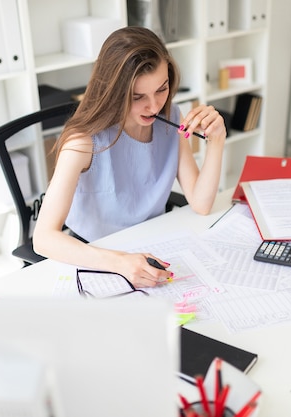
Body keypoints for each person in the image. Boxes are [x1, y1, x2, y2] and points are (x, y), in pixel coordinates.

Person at [33, 26, 226, 288]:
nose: (155, 106)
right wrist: (120, 263)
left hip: (150, 243)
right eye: (138, 97)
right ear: (113, 92)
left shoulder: (171, 117)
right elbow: (43, 238)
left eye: (162, 88)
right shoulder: (82, 141)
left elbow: (202, 203)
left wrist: (217, 140)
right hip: (97, 254)